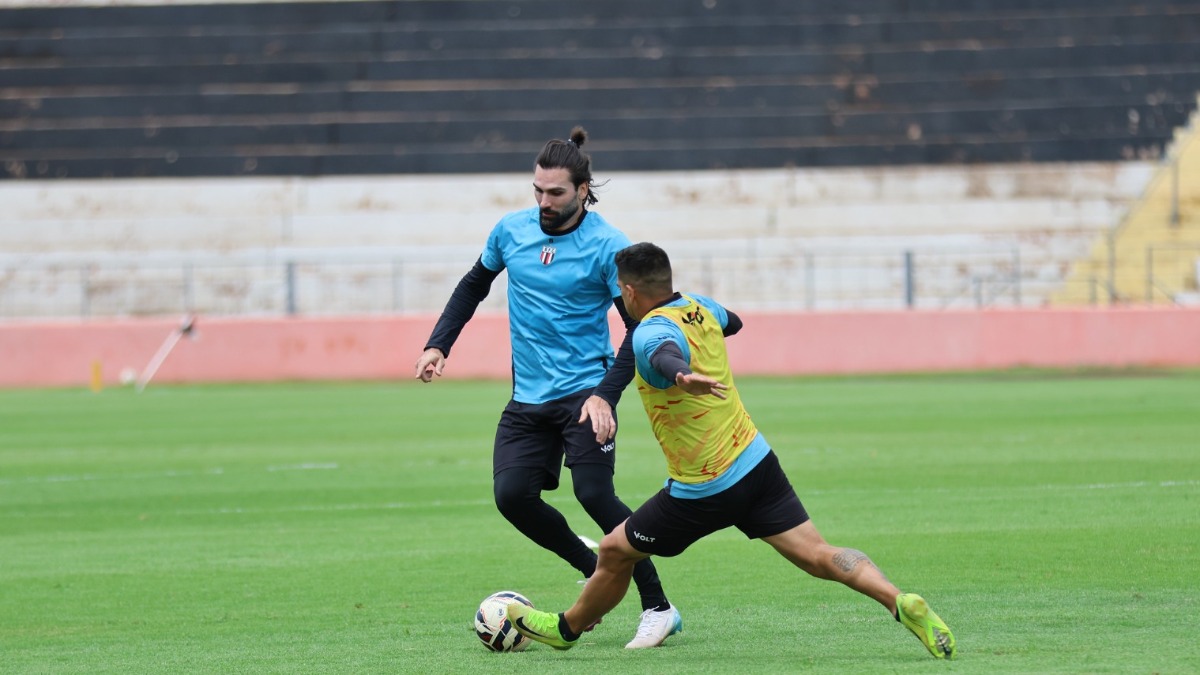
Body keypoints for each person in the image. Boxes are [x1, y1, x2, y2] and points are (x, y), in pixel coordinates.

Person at [507, 242, 957, 659]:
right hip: (757, 464)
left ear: (627, 290)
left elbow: (662, 353)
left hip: (704, 488)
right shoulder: (701, 306)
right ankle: (897, 599)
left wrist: (681, 374)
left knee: (615, 550)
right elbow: (733, 321)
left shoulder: (646, 333)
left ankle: (564, 630)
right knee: (819, 554)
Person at [413, 129, 682, 649]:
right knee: (511, 496)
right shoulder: (510, 231)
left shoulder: (609, 246)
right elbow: (474, 284)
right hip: (528, 399)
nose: (543, 202)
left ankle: (659, 607)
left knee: (594, 494)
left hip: (585, 394)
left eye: (555, 193)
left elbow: (640, 328)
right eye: (537, 190)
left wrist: (608, 394)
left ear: (583, 190)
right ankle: (591, 567)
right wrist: (437, 344)